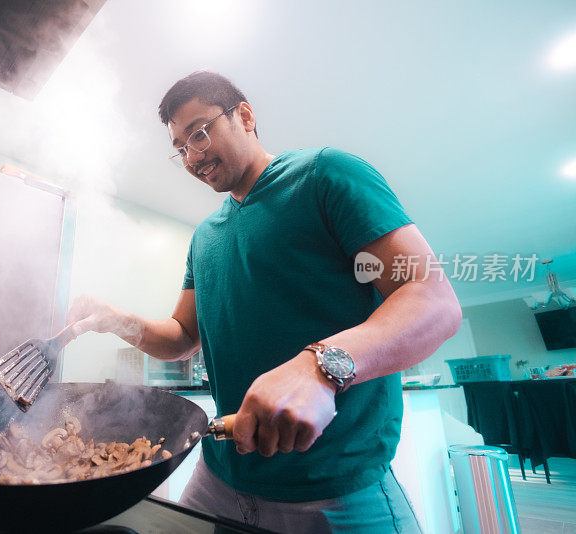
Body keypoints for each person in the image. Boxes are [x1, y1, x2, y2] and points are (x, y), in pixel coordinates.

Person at [65, 71, 461, 533]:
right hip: (220, 477)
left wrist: (319, 367)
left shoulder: (324, 175)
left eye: (198, 132)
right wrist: (117, 320)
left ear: (245, 116)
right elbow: (182, 338)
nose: (192, 156)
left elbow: (433, 301)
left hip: (336, 490)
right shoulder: (204, 237)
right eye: (180, 147)